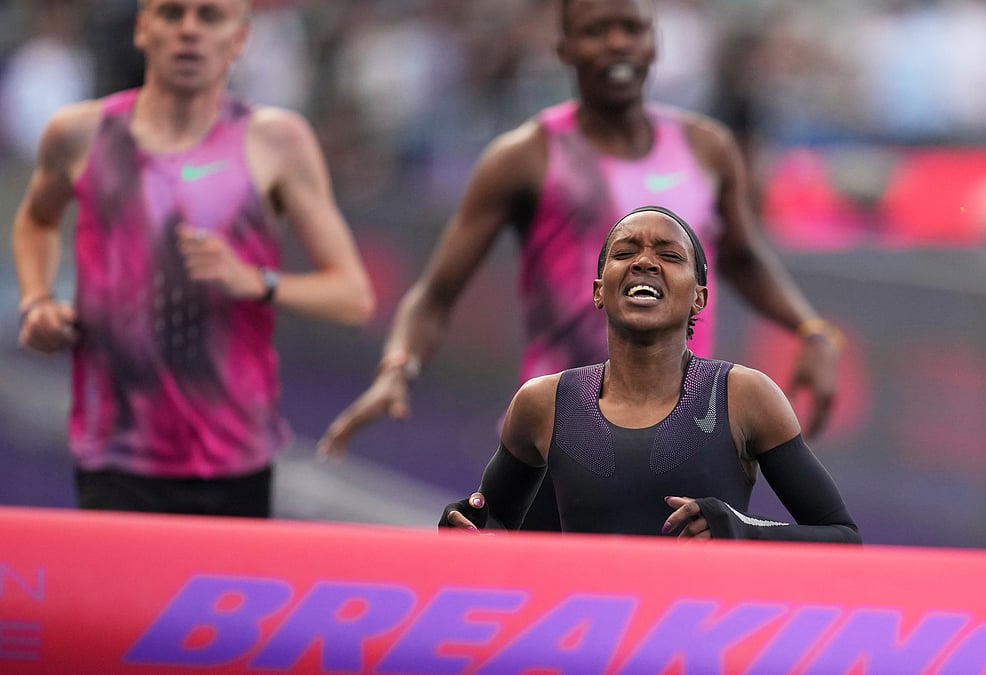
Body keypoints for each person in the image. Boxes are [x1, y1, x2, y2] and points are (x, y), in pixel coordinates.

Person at [318, 0, 844, 531]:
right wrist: (398, 367)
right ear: (564, 49)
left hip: (685, 430)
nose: (617, 43)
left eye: (631, 28)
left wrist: (812, 330)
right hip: (558, 446)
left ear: (654, 43)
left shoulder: (707, 149)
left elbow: (745, 258)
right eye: (597, 30)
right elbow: (435, 292)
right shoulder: (524, 157)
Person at [11, 0, 375, 518]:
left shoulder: (276, 141)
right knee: (121, 601)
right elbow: (37, 220)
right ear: (142, 29)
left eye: (209, 17)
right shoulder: (80, 133)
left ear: (240, 37)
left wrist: (254, 279)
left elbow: (353, 297)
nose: (189, 32)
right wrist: (37, 299)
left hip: (234, 455)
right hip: (115, 451)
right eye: (171, 14)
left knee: (217, 603)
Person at [441, 206, 859, 542]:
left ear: (699, 298)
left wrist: (741, 529)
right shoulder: (543, 403)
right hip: (588, 643)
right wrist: (462, 525)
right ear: (599, 290)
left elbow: (843, 538)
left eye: (669, 255)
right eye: (625, 253)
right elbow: (491, 529)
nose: (645, 262)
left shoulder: (744, 396)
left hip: (695, 645)